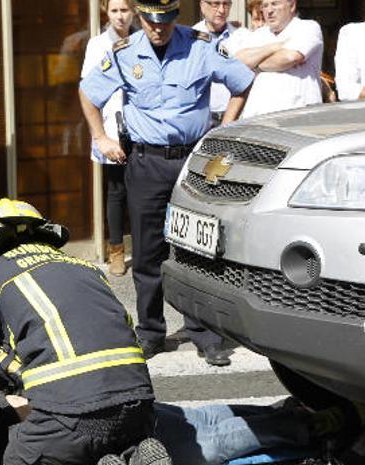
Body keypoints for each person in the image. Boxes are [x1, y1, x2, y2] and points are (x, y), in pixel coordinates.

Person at [0, 199, 182, 465]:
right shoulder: (87, 269)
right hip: (139, 408)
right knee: (107, 444)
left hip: (68, 418)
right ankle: (141, 461)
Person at [79, 0, 254, 367]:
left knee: (198, 250)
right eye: (151, 21)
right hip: (145, 161)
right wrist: (101, 139)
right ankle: (151, 332)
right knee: (147, 252)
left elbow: (242, 82)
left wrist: (225, 130)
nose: (159, 28)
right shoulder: (125, 53)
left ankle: (204, 332)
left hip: (193, 162)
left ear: (175, 16)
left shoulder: (200, 46)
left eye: (167, 20)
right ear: (141, 18)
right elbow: (88, 93)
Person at [81, 0, 138, 277]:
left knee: (143, 192)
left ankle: (144, 248)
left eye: (124, 10)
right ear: (106, 12)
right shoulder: (97, 44)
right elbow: (89, 89)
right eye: (114, 11)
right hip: (112, 129)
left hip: (142, 128)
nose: (120, 16)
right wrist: (101, 135)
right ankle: (116, 249)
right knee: (116, 191)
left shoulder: (142, 39)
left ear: (134, 12)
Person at [234, 0, 323, 118]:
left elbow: (289, 57)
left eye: (275, 4)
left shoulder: (308, 27)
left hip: (299, 115)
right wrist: (273, 48)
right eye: (265, 6)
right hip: (258, 117)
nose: (269, 11)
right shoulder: (257, 35)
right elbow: (238, 61)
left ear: (291, 6)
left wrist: (255, 63)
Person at [193, 0, 240, 128]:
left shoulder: (241, 36)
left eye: (226, 4)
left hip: (235, 117)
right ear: (202, 5)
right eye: (216, 4)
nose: (221, 10)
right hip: (202, 119)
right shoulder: (189, 38)